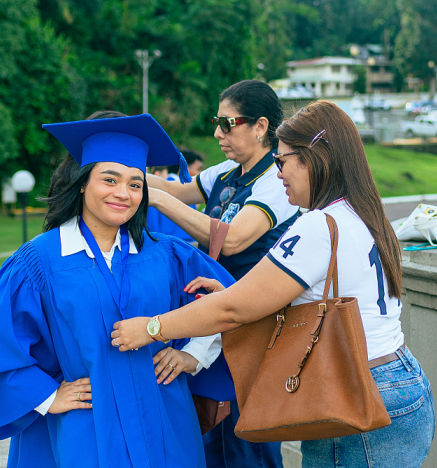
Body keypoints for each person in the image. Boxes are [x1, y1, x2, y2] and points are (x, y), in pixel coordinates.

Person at [111, 101, 436, 468]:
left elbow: (233, 310)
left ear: (312, 159)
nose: (278, 173)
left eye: (281, 161)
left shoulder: (317, 226)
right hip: (399, 380)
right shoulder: (361, 213)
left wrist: (151, 328)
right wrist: (234, 295)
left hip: (355, 394)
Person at [0, 113, 235, 468]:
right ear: (82, 183)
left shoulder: (167, 254)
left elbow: (230, 304)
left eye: (135, 184)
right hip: (85, 425)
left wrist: (195, 353)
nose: (123, 193)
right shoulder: (40, 261)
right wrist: (47, 396)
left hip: (165, 418)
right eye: (109, 179)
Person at [146, 79, 297, 468]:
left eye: (227, 123)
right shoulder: (228, 172)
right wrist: (124, 174)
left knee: (249, 448)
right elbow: (178, 192)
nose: (218, 133)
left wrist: (157, 198)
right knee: (214, 444)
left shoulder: (276, 179)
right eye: (217, 123)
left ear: (260, 126)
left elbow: (231, 239)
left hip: (254, 330)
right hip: (217, 322)